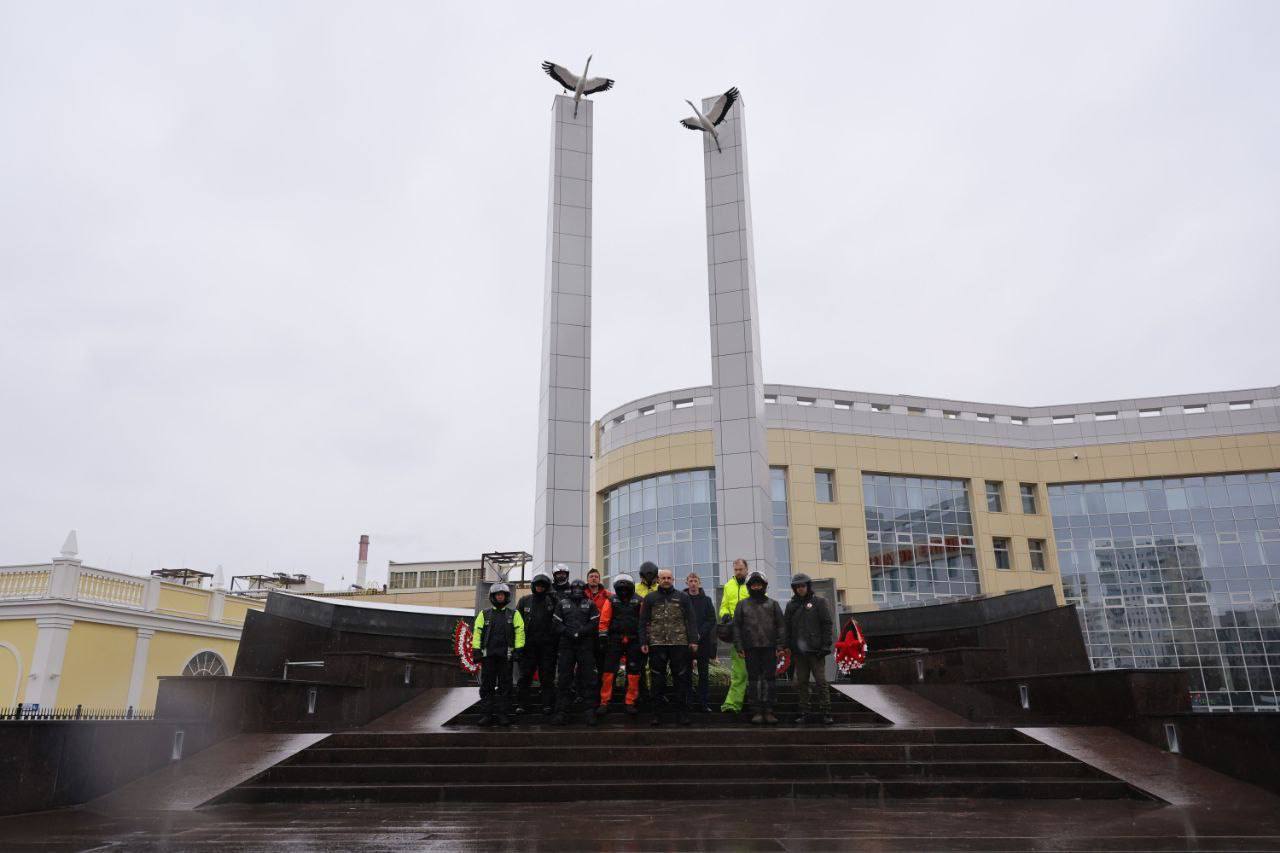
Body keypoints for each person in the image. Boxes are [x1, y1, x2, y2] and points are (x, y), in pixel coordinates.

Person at [639, 567, 699, 727]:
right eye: (663, 578)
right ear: (658, 580)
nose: (666, 580)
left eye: (669, 578)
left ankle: (682, 714)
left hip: (679, 644)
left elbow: (691, 620)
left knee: (681, 680)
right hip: (657, 644)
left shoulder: (683, 597)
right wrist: (643, 641)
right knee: (657, 680)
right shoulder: (650, 598)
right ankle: (656, 715)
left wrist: (693, 640)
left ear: (673, 580)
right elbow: (643, 621)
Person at [733, 570, 785, 725]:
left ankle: (769, 710)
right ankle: (756, 711)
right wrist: (739, 646)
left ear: (764, 586)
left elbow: (781, 626)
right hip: (750, 648)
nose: (756, 587)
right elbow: (736, 627)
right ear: (749, 587)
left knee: (770, 680)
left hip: (769, 648)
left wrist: (780, 645)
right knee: (753, 680)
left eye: (759, 584)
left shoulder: (773, 604)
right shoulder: (742, 605)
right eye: (753, 585)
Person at [471, 582, 525, 727]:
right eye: (497, 594)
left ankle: (503, 715)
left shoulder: (514, 614)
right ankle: (486, 714)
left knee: (505, 687)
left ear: (506, 596)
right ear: (493, 596)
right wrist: (476, 650)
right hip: (488, 656)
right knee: (487, 686)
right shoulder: (484, 614)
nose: (500, 597)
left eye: (502, 594)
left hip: (506, 657)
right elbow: (477, 632)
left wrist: (519, 649)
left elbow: (520, 632)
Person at [784, 573, 834, 725]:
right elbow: (786, 628)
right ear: (794, 588)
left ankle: (826, 712)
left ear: (808, 586)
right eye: (797, 586)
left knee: (821, 681)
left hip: (816, 651)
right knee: (802, 682)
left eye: (803, 586)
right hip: (799, 653)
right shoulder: (791, 605)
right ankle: (804, 711)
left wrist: (826, 645)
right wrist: (786, 646)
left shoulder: (819, 602)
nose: (800, 589)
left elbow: (826, 624)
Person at [552, 578, 600, 725]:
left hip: (585, 645)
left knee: (589, 679)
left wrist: (581, 632)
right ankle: (561, 712)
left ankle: (590, 712)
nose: (578, 590)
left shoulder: (590, 603)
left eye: (580, 588)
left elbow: (595, 622)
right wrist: (569, 633)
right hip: (567, 645)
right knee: (564, 679)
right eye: (575, 588)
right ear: (571, 589)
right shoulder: (562, 603)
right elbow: (556, 622)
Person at [596, 573, 643, 716]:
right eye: (620, 588)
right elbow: (604, 619)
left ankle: (630, 701)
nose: (623, 591)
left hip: (634, 640)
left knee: (633, 672)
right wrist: (603, 636)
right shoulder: (611, 600)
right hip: (614, 640)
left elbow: (644, 621)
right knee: (609, 671)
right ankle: (604, 702)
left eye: (625, 587)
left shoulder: (639, 601)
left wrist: (644, 639)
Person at [515, 571, 559, 716]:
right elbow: (517, 625)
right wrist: (518, 646)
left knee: (547, 677)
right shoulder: (524, 600)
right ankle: (522, 704)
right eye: (538, 585)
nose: (540, 588)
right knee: (525, 676)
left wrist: (555, 599)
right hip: (528, 647)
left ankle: (547, 704)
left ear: (547, 587)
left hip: (547, 647)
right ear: (533, 586)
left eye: (543, 586)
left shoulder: (552, 601)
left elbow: (559, 620)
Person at [718, 557, 752, 714]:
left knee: (754, 672)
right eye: (736, 570)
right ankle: (732, 704)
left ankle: (756, 703)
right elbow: (723, 606)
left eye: (740, 569)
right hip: (736, 634)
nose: (738, 572)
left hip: (753, 633)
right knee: (739, 672)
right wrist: (725, 615)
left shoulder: (753, 584)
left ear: (746, 569)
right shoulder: (728, 586)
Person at [684, 572, 718, 712]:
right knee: (686, 675)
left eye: (695, 581)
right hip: (685, 642)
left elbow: (711, 619)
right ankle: (688, 703)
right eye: (690, 581)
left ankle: (704, 703)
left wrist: (700, 633)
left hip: (703, 643)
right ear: (687, 583)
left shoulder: (707, 600)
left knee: (703, 674)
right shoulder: (681, 599)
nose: (693, 583)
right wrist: (690, 634)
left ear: (699, 583)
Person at [635, 561, 661, 706]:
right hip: (641, 630)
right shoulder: (635, 588)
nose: (648, 579)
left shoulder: (661, 588)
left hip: (658, 631)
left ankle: (656, 694)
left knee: (657, 665)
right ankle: (642, 693)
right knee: (640, 665)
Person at [584, 568, 613, 691]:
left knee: (602, 664)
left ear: (599, 579)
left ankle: (602, 690)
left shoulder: (608, 595)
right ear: (587, 579)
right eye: (591, 576)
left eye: (596, 576)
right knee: (586, 664)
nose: (594, 578)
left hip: (602, 635)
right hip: (586, 634)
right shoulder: (581, 594)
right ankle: (587, 691)